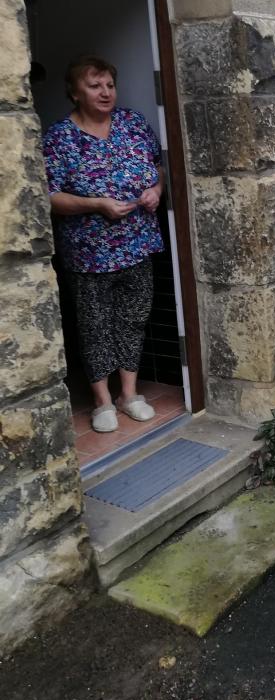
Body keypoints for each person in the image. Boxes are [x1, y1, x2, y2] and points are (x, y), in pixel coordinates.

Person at [42, 55, 165, 433]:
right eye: (95, 86)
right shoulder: (59, 138)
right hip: (88, 254)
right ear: (74, 92)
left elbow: (158, 167)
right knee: (94, 325)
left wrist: (156, 190)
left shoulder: (133, 123)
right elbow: (50, 197)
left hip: (138, 245)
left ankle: (129, 394)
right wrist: (96, 204)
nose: (105, 92)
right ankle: (102, 401)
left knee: (133, 319)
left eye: (109, 85)